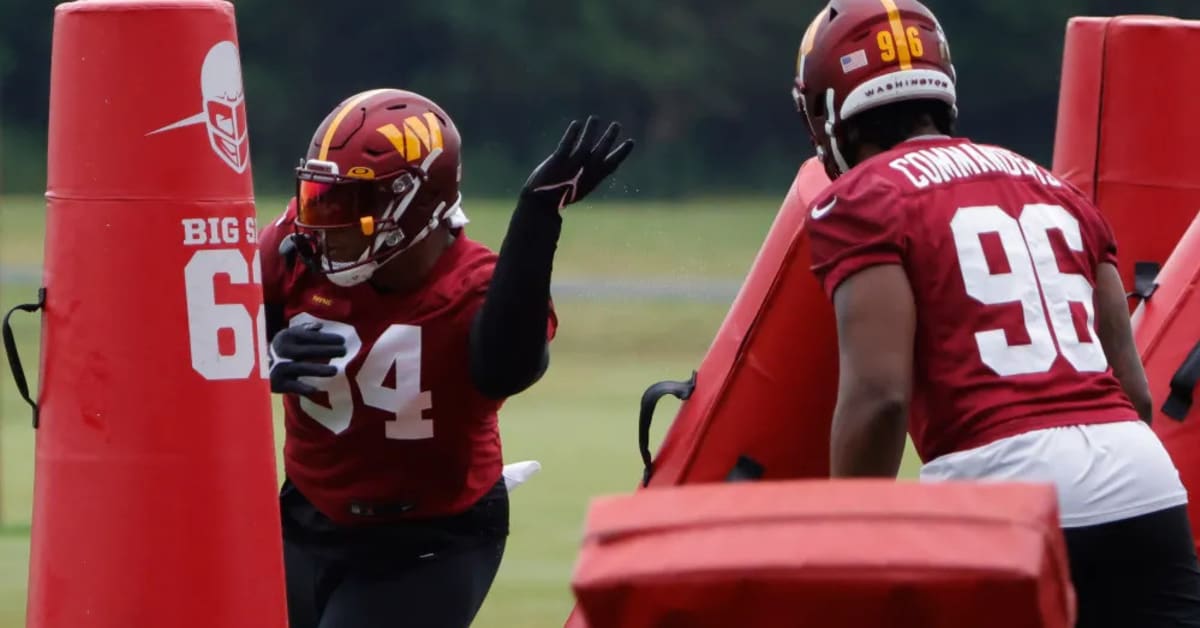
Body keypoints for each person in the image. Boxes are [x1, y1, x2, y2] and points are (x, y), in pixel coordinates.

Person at [793, 1, 1200, 625]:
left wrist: (855, 539)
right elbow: (1133, 391)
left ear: (829, 112)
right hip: (1142, 488)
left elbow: (880, 396)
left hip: (997, 496)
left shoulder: (860, 200)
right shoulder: (1056, 189)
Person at [258, 87, 634, 628]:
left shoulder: (472, 286)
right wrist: (256, 355)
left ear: (416, 203)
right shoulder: (296, 248)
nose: (324, 222)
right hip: (308, 513)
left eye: (351, 205)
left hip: (428, 536)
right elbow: (192, 343)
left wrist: (537, 216)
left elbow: (508, 368)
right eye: (321, 196)